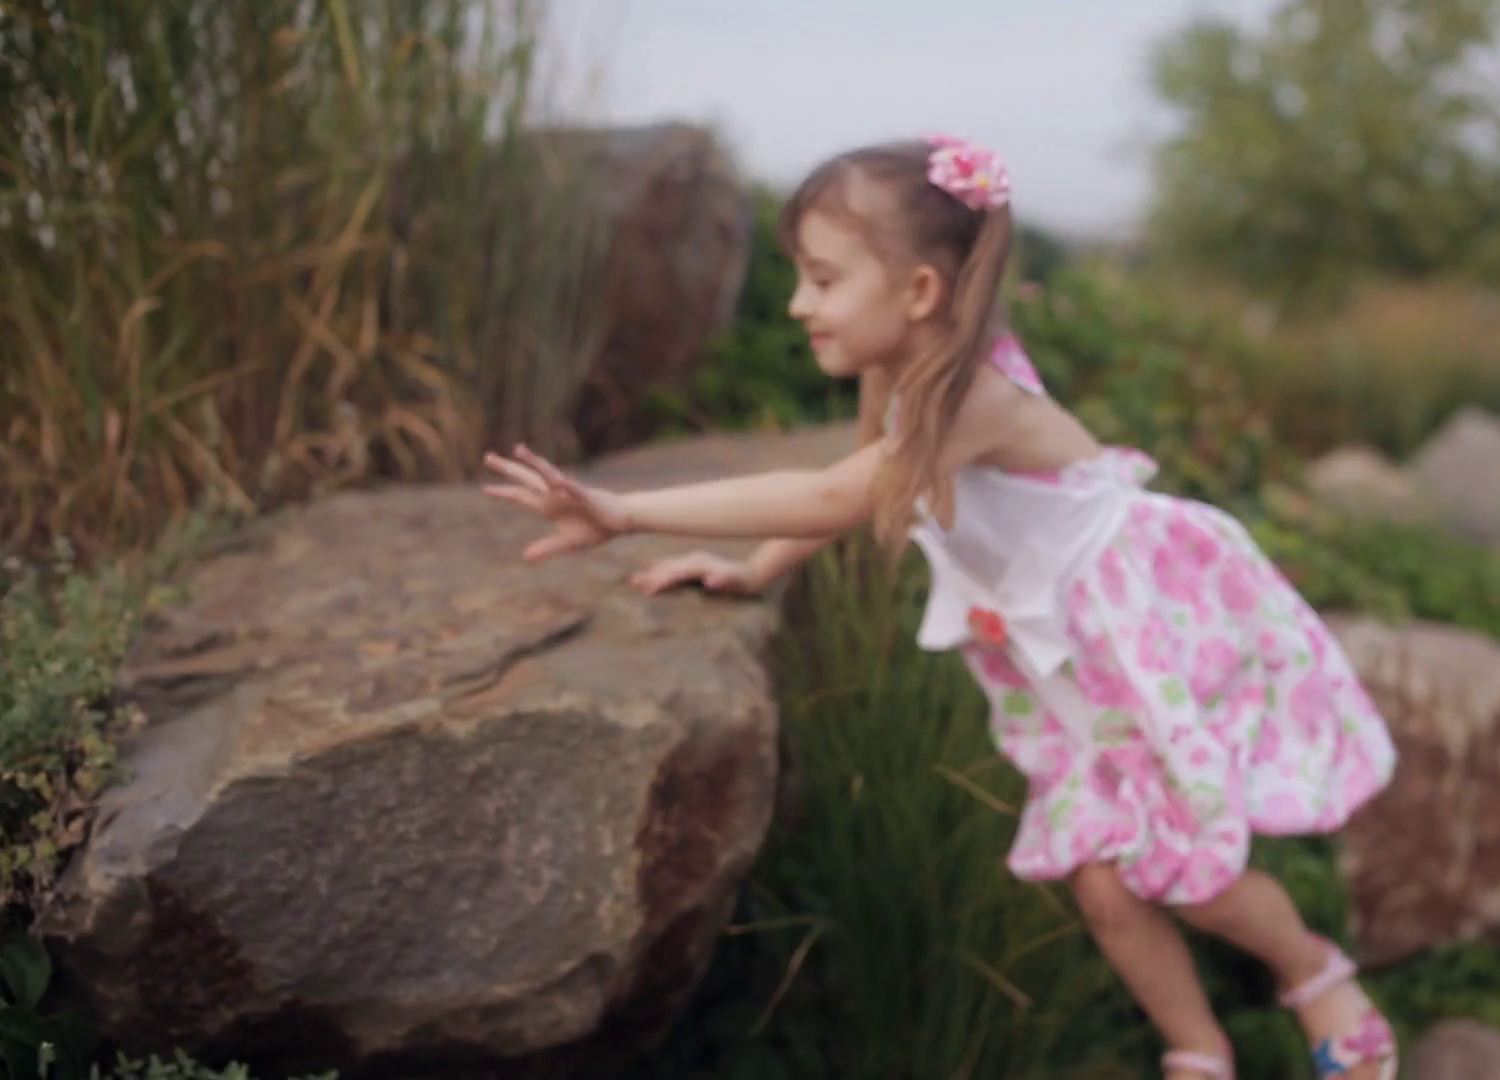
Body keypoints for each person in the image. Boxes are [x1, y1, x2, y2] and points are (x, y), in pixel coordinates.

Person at [482, 134, 1399, 1080]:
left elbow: (834, 495)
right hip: (1070, 659)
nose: (798, 304)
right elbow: (862, 489)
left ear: (920, 292)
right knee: (1104, 887)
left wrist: (626, 513)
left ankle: (1315, 973)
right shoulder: (902, 378)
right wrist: (756, 569)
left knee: (1186, 875)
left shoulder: (975, 398)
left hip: (1133, 633)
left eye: (823, 279)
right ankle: (1197, 1048)